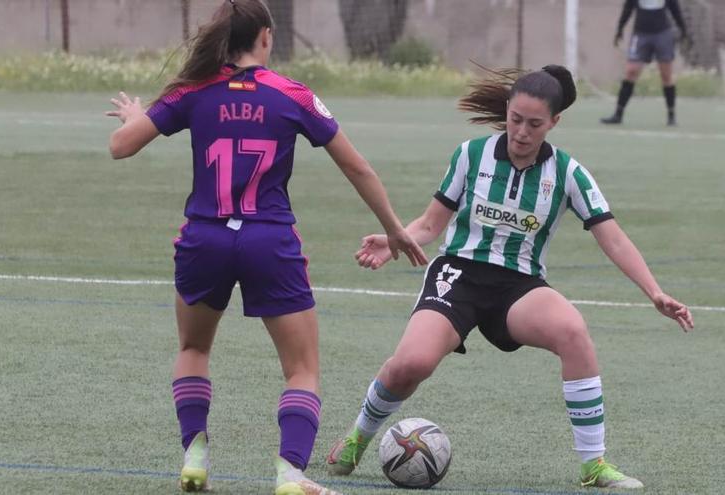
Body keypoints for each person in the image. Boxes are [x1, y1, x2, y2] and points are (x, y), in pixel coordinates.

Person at [105, 1, 427, 493]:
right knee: (301, 368)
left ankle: (195, 452)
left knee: (193, 348)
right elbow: (357, 167)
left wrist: (137, 115)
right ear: (266, 37)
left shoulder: (195, 90)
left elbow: (120, 146)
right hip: (268, 241)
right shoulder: (292, 95)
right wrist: (396, 228)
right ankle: (290, 473)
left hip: (204, 238)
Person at [325, 64, 694, 489]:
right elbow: (430, 225)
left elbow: (613, 240)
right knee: (412, 363)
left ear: (554, 122)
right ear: (506, 111)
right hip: (458, 276)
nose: (521, 131)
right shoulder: (470, 155)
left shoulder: (570, 174)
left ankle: (593, 465)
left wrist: (655, 292)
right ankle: (358, 437)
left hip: (518, 287)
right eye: (515, 119)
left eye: (534, 124)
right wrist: (395, 240)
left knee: (573, 331)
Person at [601, 0, 688, 126]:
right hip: (641, 34)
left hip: (662, 33)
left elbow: (675, 9)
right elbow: (628, 8)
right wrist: (620, 29)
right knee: (631, 71)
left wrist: (683, 30)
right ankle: (618, 114)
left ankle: (671, 115)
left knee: (666, 75)